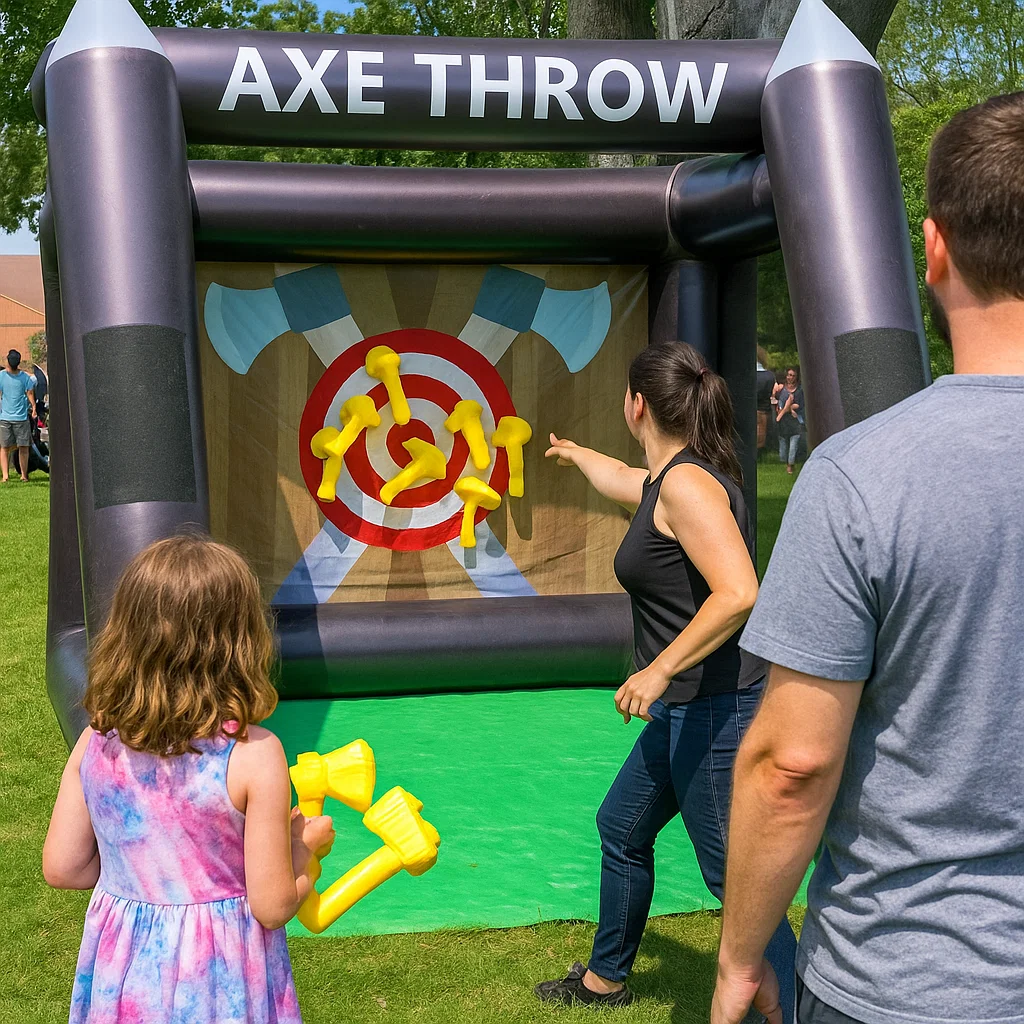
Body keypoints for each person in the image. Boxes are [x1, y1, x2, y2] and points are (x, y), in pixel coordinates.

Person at [711, 93, 1024, 1024]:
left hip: (911, 980)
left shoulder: (861, 477)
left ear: (932, 248)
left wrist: (737, 958)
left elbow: (791, 764)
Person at [534, 342, 797, 1014]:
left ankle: (804, 1006)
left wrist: (658, 668)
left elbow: (739, 592)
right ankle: (605, 981)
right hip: (688, 709)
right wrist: (574, 455)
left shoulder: (685, 485)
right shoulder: (669, 478)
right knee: (622, 828)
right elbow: (622, 475)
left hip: (713, 709)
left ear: (636, 403)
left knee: (738, 885)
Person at [43, 535, 335, 1023]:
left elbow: (63, 867)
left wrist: (141, 879)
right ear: (241, 640)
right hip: (221, 982)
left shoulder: (94, 742)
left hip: (126, 976)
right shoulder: (254, 756)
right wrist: (303, 847)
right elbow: (272, 905)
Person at [0, 349, 37, 483]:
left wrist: (33, 408)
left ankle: (8, 476)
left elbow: (29, 393)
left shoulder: (4, 376)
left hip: (15, 418)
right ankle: (21, 475)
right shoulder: (24, 377)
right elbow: (30, 393)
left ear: (8, 362)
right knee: (21, 448)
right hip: (12, 418)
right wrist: (33, 408)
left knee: (6, 448)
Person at [774, 367, 804, 475]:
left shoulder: (799, 391)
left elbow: (799, 405)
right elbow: (780, 406)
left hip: (795, 423)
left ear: (796, 377)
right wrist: (789, 407)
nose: (790, 377)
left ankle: (790, 466)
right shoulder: (782, 390)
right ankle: (786, 465)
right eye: (789, 375)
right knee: (782, 453)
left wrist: (788, 407)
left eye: (793, 375)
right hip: (783, 423)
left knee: (793, 446)